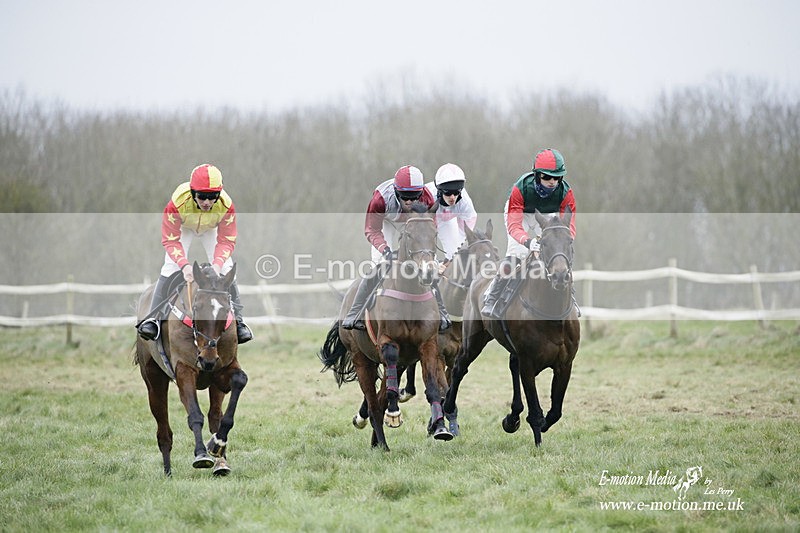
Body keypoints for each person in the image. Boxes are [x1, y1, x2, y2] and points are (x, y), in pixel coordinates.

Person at [137, 163, 253, 343]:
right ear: (193, 193)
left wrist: (217, 264)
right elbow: (170, 239)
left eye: (212, 196)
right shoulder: (177, 203)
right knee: (170, 266)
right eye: (202, 197)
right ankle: (154, 319)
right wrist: (184, 266)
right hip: (184, 228)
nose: (207, 202)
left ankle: (239, 322)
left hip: (210, 230)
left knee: (226, 268)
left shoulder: (226, 205)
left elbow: (227, 241)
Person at [341, 165, 451, 332]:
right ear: (395, 191)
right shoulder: (380, 199)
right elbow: (371, 229)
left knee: (430, 266)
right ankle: (354, 313)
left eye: (414, 197)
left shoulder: (427, 198)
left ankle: (442, 313)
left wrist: (428, 254)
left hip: (415, 225)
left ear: (420, 193)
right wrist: (385, 249)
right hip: (387, 223)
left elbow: (429, 227)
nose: (409, 201)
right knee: (379, 265)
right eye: (404, 197)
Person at [481, 148, 577, 319]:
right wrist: (528, 242)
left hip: (547, 216)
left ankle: (571, 297)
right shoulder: (521, 188)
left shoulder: (566, 193)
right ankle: (493, 296)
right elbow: (514, 225)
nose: (552, 182)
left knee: (558, 252)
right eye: (547, 177)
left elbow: (568, 227)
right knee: (517, 254)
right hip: (520, 214)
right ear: (537, 175)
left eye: (556, 177)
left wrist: (565, 241)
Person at [425, 163, 478, 263]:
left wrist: (459, 249)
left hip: (447, 221)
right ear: (439, 190)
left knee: (454, 254)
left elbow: (465, 231)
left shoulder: (465, 202)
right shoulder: (428, 196)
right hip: (426, 221)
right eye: (448, 193)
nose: (453, 197)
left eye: (457, 192)